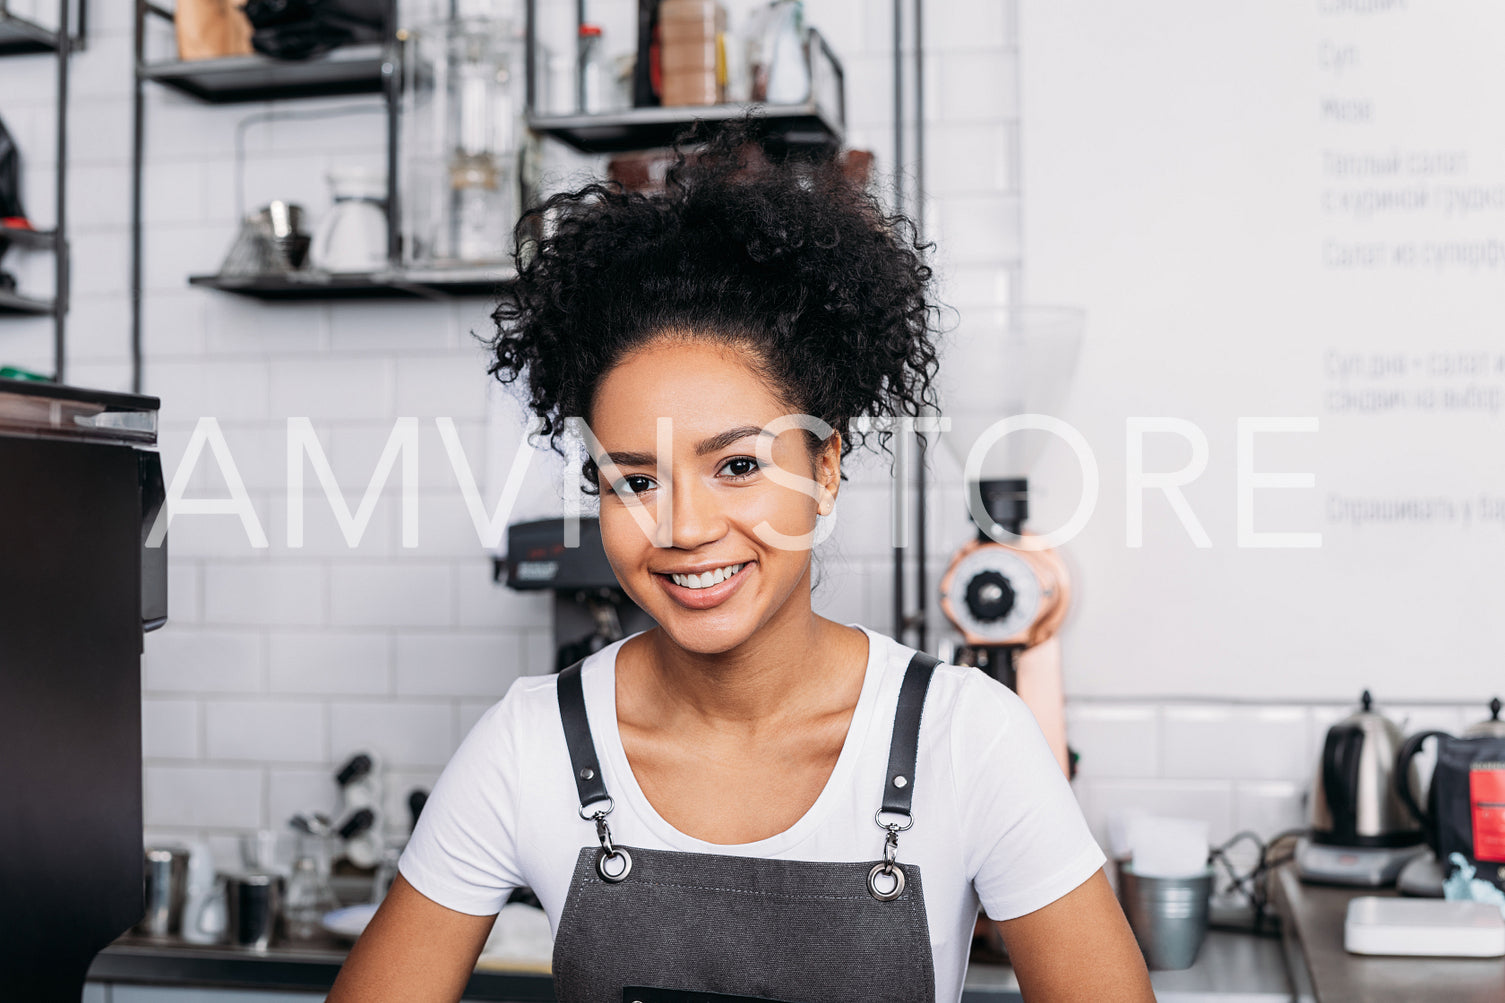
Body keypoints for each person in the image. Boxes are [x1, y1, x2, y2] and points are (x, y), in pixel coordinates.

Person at [329, 120, 1154, 1003]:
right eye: (634, 479)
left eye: (736, 465)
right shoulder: (529, 745)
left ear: (824, 468)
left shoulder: (967, 740)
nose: (682, 527)